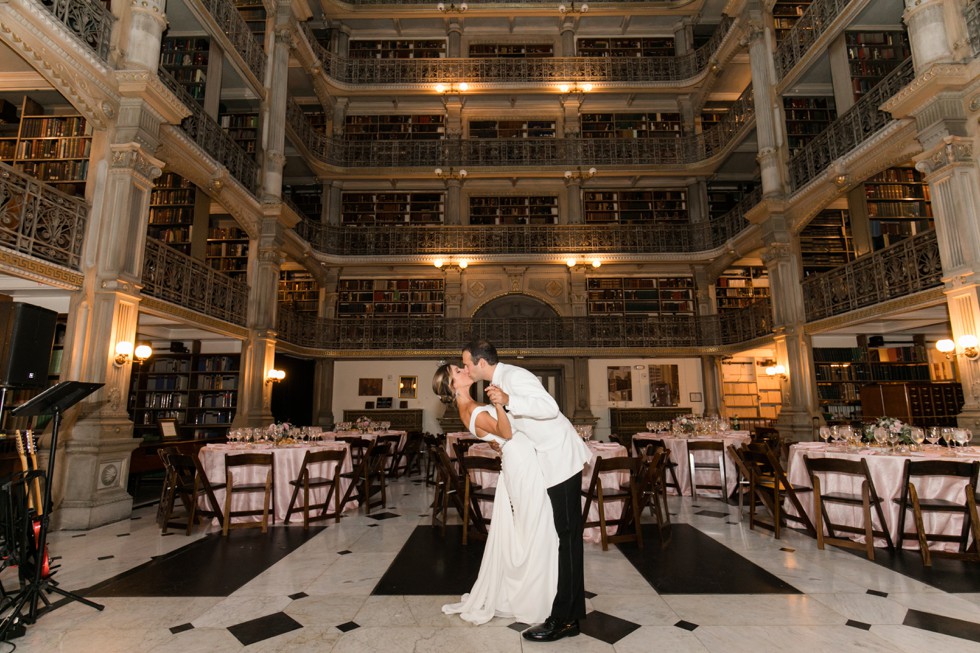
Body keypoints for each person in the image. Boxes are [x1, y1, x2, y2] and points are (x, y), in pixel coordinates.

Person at [462, 339, 592, 642]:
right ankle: (566, 613)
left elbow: (549, 408)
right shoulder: (498, 383)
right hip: (547, 460)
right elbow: (519, 426)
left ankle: (565, 619)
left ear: (482, 362)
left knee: (568, 537)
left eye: (467, 362)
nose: (466, 367)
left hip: (561, 457)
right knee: (565, 536)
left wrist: (508, 399)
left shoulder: (514, 377)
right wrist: (500, 441)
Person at [432, 363, 558, 626]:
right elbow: (507, 432)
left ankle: (540, 590)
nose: (463, 370)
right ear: (452, 386)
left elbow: (496, 435)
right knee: (536, 526)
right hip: (521, 465)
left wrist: (495, 435)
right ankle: (533, 596)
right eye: (457, 371)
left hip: (519, 460)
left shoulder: (470, 408)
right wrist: (499, 403)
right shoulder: (471, 409)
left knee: (533, 526)